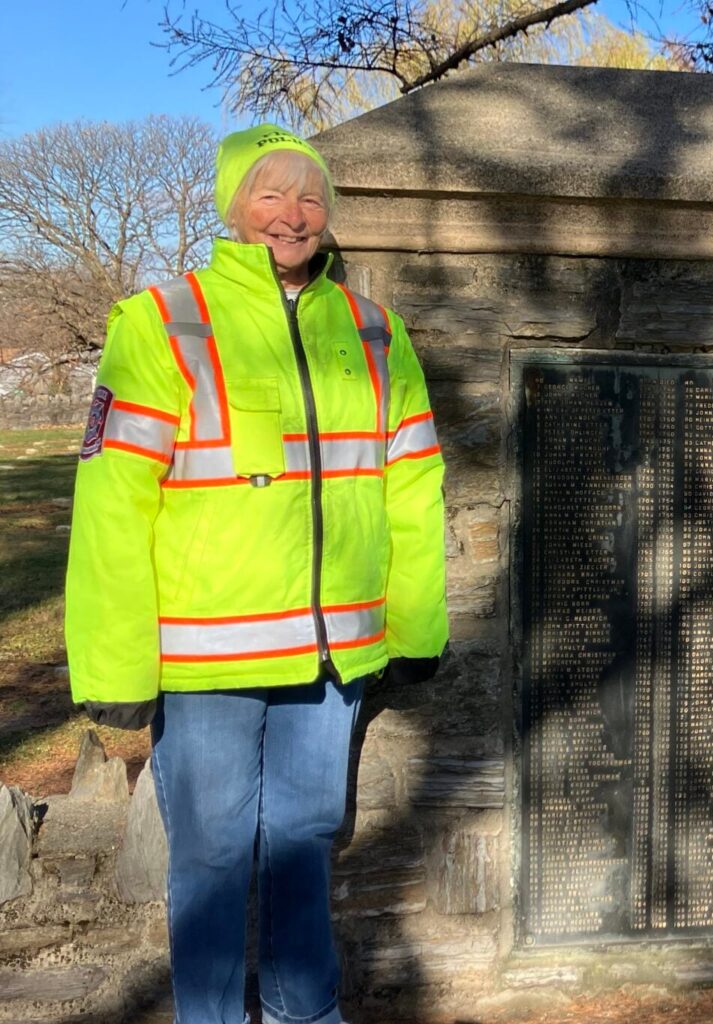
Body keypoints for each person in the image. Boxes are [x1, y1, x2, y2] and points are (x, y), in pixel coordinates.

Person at [65, 124, 448, 1024]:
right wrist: (116, 667)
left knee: (305, 841)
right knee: (210, 854)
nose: (293, 214)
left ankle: (303, 1010)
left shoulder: (375, 330)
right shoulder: (162, 321)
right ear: (233, 207)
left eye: (311, 196)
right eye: (270, 194)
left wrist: (415, 625)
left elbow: (413, 483)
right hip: (208, 659)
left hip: (332, 657)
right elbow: (113, 506)